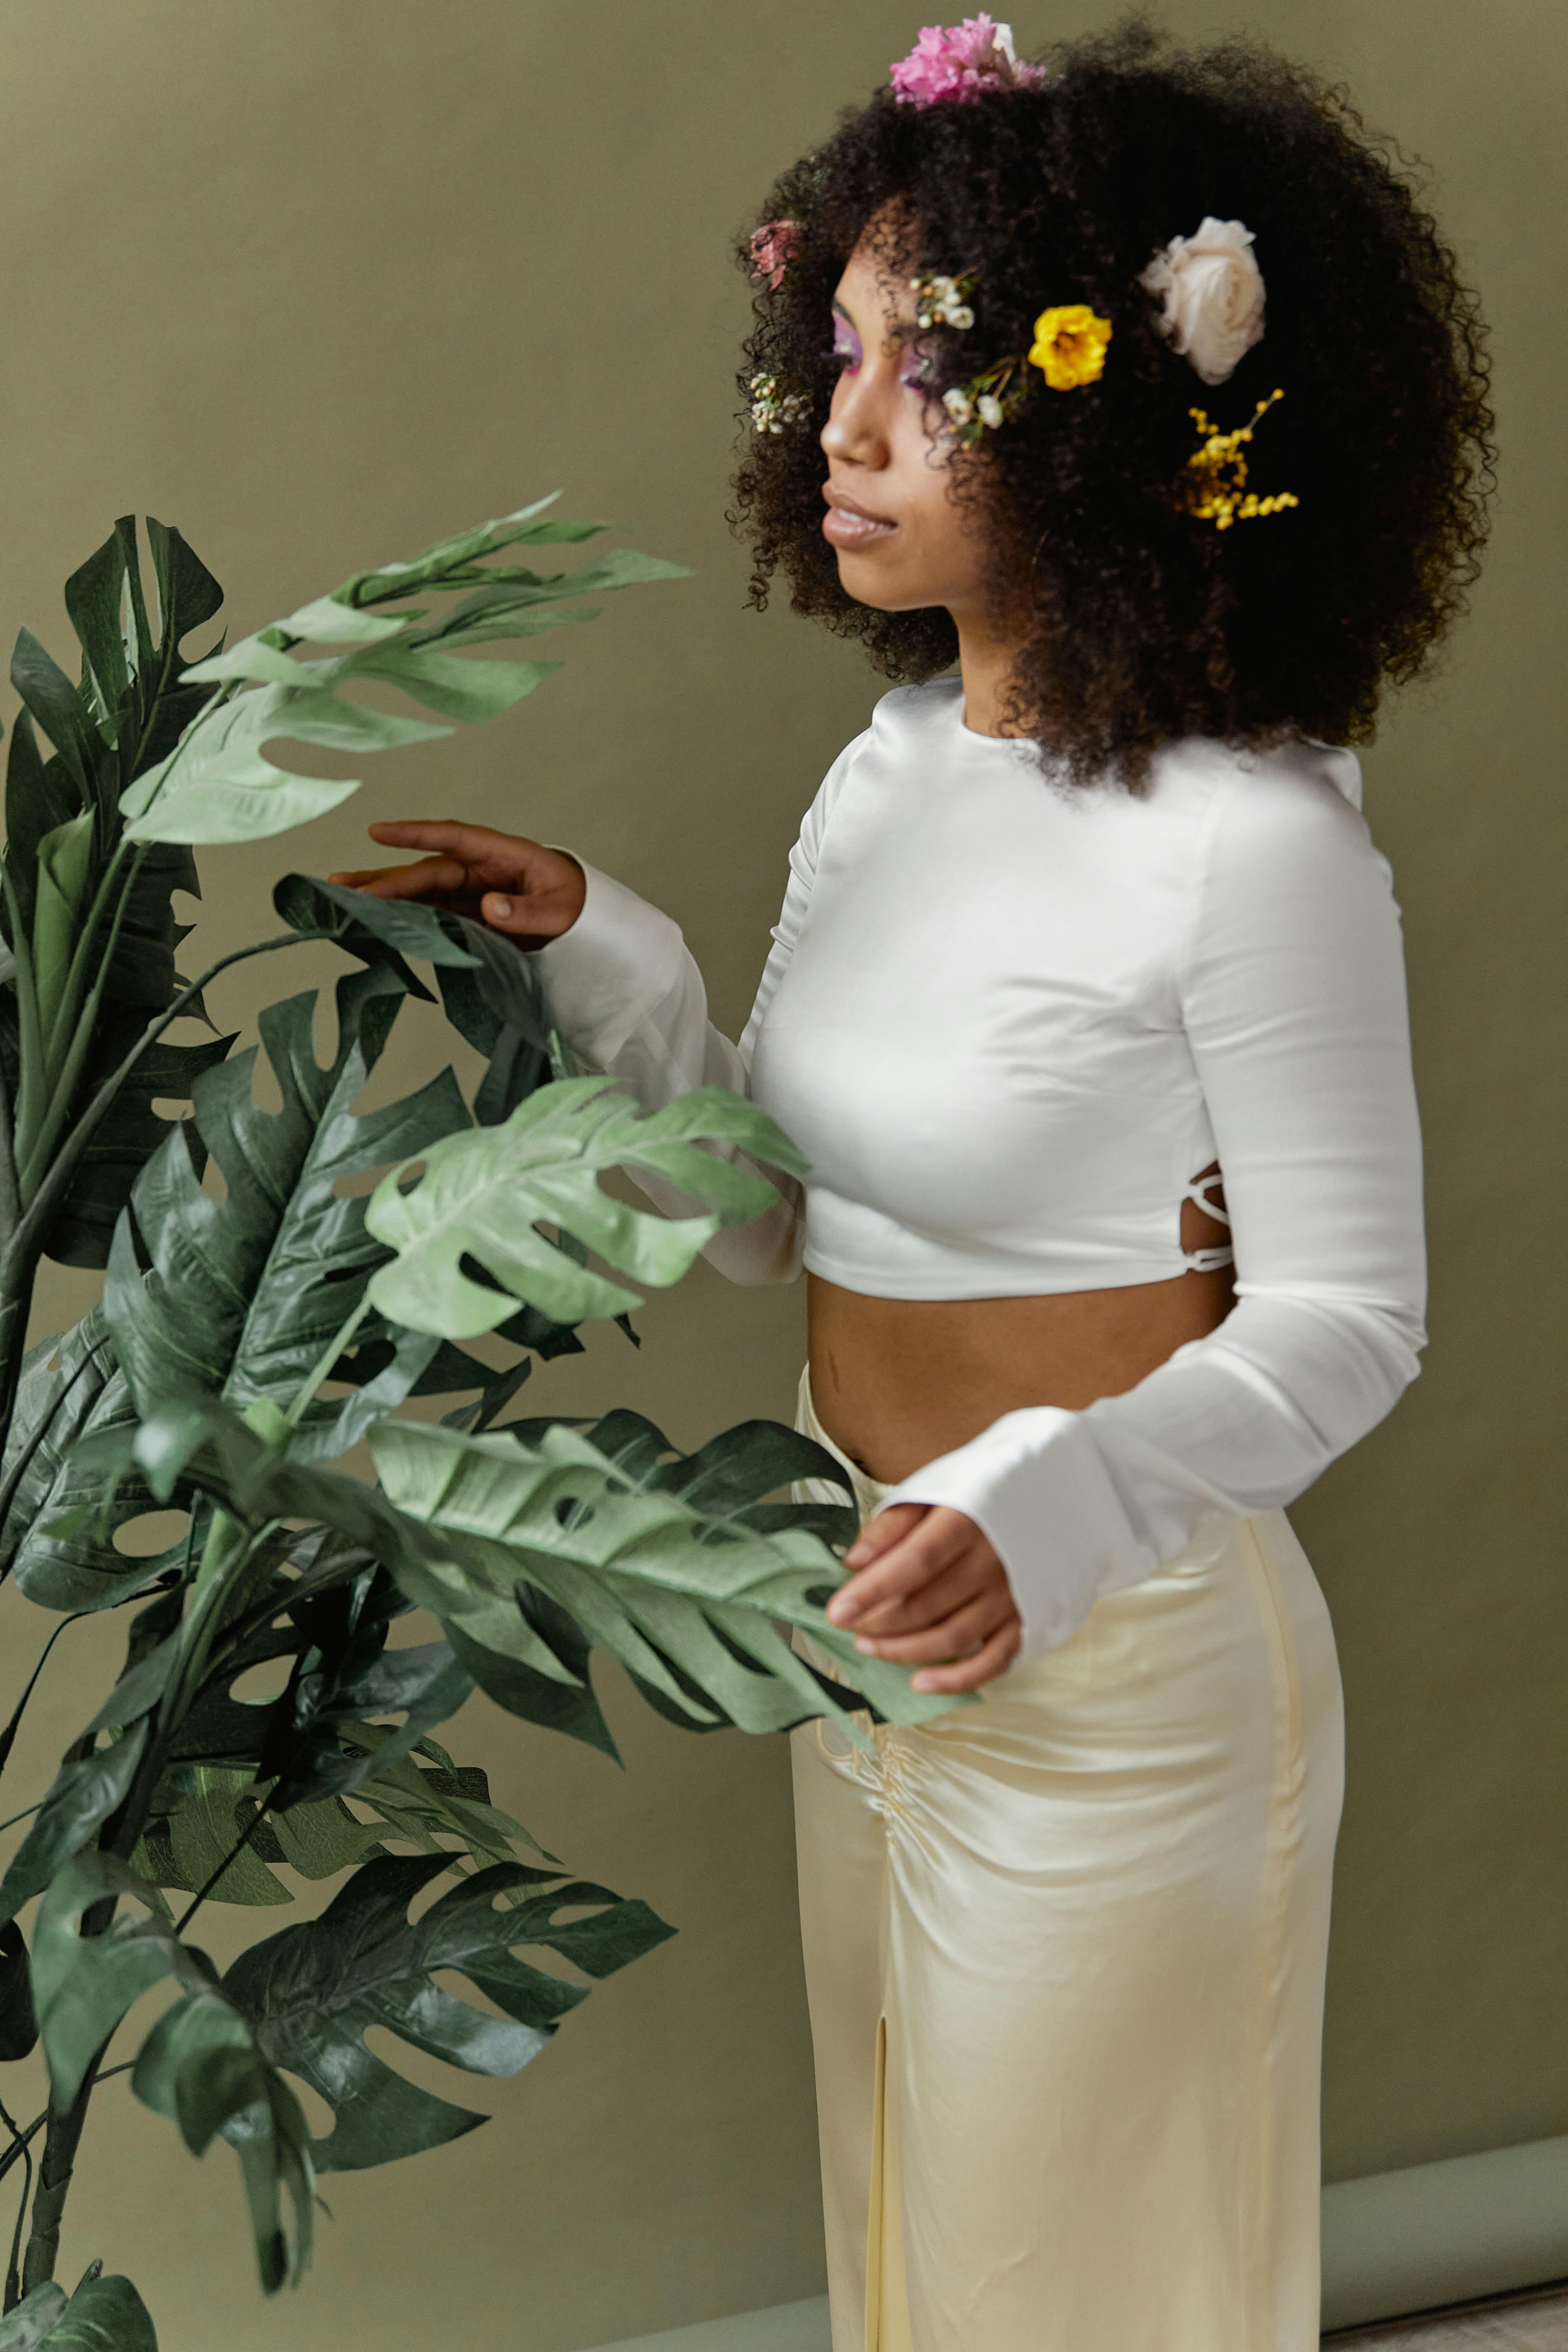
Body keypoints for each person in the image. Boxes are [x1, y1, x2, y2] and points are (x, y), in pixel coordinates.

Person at [332, 20, 1493, 2348]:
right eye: (835, 357)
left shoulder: (1257, 844)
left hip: (1121, 1661)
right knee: (914, 2262)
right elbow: (790, 1209)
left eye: (929, 378)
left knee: (1077, 2299)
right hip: (853, 1622)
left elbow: (1353, 1316)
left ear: (1112, 410)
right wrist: (610, 953)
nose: (843, 428)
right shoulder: (885, 774)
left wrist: (1053, 1511)